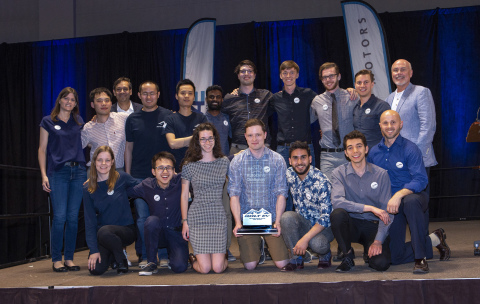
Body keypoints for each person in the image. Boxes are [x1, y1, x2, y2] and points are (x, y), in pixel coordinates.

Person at [368, 110, 450, 274]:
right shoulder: (373, 153)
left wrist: (399, 195)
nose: (389, 126)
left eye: (393, 122)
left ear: (401, 124)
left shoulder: (410, 148)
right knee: (396, 257)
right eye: (386, 123)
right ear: (380, 126)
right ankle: (434, 239)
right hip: (390, 205)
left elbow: (421, 180)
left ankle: (420, 259)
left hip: (413, 197)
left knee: (410, 202)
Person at [228, 119, 290, 271]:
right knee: (250, 266)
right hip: (247, 220)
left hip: (271, 220)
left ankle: (269, 244)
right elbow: (234, 194)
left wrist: (278, 222)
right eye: (250, 135)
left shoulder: (277, 160)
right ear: (245, 137)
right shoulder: (237, 161)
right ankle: (259, 248)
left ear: (265, 135)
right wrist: (237, 223)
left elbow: (281, 193)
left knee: (282, 264)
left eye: (258, 135)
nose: (254, 139)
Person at [38, 87, 87, 272]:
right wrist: (43, 174)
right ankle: (56, 259)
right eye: (66, 98)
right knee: (59, 217)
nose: (69, 102)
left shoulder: (78, 121)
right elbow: (42, 149)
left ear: (76, 103)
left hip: (79, 172)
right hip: (58, 172)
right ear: (59, 100)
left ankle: (69, 258)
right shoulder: (48, 121)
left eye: (73, 100)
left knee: (73, 218)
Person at [330, 130, 393, 272]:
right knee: (337, 214)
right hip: (352, 224)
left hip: (373, 226)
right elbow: (337, 202)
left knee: (381, 264)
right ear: (346, 153)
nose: (355, 151)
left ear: (366, 149)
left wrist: (378, 241)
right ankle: (347, 255)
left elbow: (387, 212)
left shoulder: (381, 174)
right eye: (350, 148)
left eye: (359, 146)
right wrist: (369, 208)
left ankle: (368, 250)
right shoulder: (338, 173)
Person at [124, 80, 172, 266]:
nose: (149, 96)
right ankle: (145, 255)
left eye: (152, 93)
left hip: (163, 177)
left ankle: (164, 255)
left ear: (158, 94)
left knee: (162, 218)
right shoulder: (132, 119)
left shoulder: (168, 115)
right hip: (139, 176)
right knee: (142, 219)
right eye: (145, 93)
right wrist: (128, 176)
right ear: (139, 95)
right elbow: (128, 148)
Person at [181, 123, 230, 273]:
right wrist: (185, 222)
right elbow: (184, 196)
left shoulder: (224, 162)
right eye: (203, 139)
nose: (207, 142)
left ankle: (223, 256)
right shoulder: (189, 165)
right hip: (197, 217)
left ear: (215, 139)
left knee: (217, 268)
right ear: (197, 141)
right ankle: (193, 259)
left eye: (210, 138)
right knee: (205, 268)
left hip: (217, 216)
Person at [129, 152, 188, 275]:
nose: (165, 171)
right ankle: (151, 263)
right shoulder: (146, 185)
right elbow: (126, 191)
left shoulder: (181, 181)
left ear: (174, 170)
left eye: (169, 168)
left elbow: (199, 169)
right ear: (153, 171)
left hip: (176, 234)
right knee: (151, 221)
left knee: (180, 267)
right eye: (160, 168)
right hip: (158, 234)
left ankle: (177, 257)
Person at [83, 146, 138, 275]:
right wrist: (94, 250)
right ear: (94, 162)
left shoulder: (122, 177)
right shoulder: (87, 188)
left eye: (107, 160)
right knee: (95, 269)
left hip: (126, 231)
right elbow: (89, 221)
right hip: (104, 236)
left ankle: (121, 261)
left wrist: (164, 179)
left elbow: (144, 186)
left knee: (104, 231)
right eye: (100, 160)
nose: (103, 164)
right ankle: (114, 255)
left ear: (112, 162)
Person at [280, 141, 334, 271]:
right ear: (290, 161)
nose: (299, 162)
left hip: (323, 228)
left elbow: (326, 218)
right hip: (303, 222)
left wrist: (305, 239)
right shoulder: (290, 174)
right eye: (295, 158)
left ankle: (325, 255)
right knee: (286, 217)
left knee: (318, 244)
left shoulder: (321, 181)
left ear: (310, 159)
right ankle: (296, 258)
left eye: (303, 157)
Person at [311, 62, 358, 181]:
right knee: (329, 193)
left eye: (331, 76)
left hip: (349, 154)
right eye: (325, 77)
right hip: (327, 157)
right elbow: (306, 120)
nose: (328, 80)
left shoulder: (352, 96)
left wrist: (354, 90)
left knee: (352, 191)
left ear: (339, 76)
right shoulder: (317, 101)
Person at [386, 59, 437, 169]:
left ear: (411, 73)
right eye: (395, 70)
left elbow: (428, 126)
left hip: (416, 159)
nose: (399, 73)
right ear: (391, 74)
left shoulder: (420, 92)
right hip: (396, 160)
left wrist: (416, 154)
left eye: (403, 70)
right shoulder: (389, 99)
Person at [204, 85, 235, 262]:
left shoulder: (226, 119)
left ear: (222, 99)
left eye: (218, 97)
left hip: (223, 171)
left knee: (225, 212)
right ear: (206, 99)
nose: (215, 99)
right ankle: (210, 248)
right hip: (206, 172)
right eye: (211, 97)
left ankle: (225, 248)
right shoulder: (201, 119)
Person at [269, 60, 318, 167]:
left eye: (292, 72)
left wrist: (349, 90)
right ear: (280, 76)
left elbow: (326, 102)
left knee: (308, 182)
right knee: (282, 182)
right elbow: (261, 114)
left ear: (297, 75)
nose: (288, 76)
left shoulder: (308, 94)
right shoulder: (275, 98)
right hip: (283, 149)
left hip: (305, 147)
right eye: (285, 73)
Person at [222, 60, 273, 154]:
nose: (246, 74)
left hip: (262, 148)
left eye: (250, 71)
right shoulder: (229, 98)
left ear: (254, 75)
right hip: (237, 149)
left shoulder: (266, 96)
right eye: (242, 71)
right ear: (238, 75)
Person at [82, 87, 129, 171]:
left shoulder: (123, 118)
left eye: (107, 100)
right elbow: (77, 148)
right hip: (96, 172)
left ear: (111, 103)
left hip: (119, 171)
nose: (104, 104)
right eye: (99, 101)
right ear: (92, 104)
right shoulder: (88, 127)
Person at [165, 79, 208, 171]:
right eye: (183, 93)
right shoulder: (170, 119)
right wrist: (196, 138)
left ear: (194, 97)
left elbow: (206, 142)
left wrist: (180, 142)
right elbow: (172, 143)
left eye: (190, 93)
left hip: (198, 168)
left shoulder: (202, 118)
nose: (186, 96)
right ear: (176, 96)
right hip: (175, 170)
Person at [352, 69, 390, 148]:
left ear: (372, 84)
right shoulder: (355, 107)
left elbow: (389, 134)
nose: (362, 85)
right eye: (359, 83)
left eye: (366, 82)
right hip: (360, 156)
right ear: (355, 85)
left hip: (378, 156)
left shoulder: (382, 106)